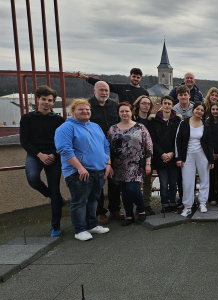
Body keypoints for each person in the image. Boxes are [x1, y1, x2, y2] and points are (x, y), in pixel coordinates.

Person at [55, 99, 111, 241]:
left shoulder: (95, 126)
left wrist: (107, 163)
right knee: (80, 201)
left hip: (98, 170)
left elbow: (105, 145)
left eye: (87, 110)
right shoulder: (66, 128)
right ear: (73, 111)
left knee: (93, 200)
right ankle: (79, 230)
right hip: (79, 172)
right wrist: (80, 168)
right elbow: (65, 150)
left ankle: (92, 225)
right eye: (81, 110)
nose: (85, 112)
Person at [20, 85, 65, 237]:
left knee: (55, 189)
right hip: (35, 154)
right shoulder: (27, 118)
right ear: (37, 100)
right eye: (44, 99)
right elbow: (25, 141)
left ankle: (55, 226)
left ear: (53, 102)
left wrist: (52, 154)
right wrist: (40, 155)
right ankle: (56, 199)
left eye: (50, 100)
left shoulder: (59, 120)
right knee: (32, 179)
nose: (47, 102)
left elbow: (62, 141)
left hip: (54, 156)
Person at [107, 102, 153, 226]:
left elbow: (148, 146)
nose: (124, 113)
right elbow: (108, 148)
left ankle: (141, 210)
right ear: (118, 113)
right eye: (122, 111)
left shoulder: (140, 127)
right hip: (119, 165)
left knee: (132, 188)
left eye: (127, 111)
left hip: (136, 164)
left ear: (131, 112)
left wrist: (148, 164)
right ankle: (129, 215)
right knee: (124, 190)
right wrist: (109, 164)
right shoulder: (113, 129)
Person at [87, 81, 125, 223]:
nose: (104, 93)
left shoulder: (114, 106)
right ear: (94, 91)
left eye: (106, 90)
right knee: (99, 182)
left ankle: (115, 209)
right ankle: (100, 212)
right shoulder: (88, 106)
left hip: (114, 149)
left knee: (115, 181)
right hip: (96, 150)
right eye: (101, 90)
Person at [176, 102, 214, 216]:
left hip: (202, 154)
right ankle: (187, 206)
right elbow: (178, 141)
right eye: (198, 109)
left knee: (204, 179)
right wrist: (179, 158)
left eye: (202, 110)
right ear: (193, 109)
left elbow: (209, 143)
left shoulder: (205, 124)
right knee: (187, 181)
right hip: (188, 155)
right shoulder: (184, 123)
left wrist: (211, 160)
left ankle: (202, 203)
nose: (199, 112)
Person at [147, 96, 182, 213]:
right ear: (161, 104)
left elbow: (179, 139)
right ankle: (164, 204)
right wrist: (162, 154)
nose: (167, 105)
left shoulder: (177, 121)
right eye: (165, 103)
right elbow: (153, 140)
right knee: (163, 183)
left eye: (169, 103)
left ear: (172, 106)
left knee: (173, 183)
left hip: (173, 156)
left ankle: (173, 203)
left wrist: (172, 153)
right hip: (160, 157)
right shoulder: (154, 120)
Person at [132, 95, 156, 215]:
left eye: (148, 104)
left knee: (147, 181)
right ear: (138, 105)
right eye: (143, 103)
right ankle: (139, 205)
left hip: (148, 155)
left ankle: (147, 204)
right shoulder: (133, 120)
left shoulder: (152, 121)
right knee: (136, 182)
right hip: (134, 155)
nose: (146, 106)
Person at [77, 68, 148, 105]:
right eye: (134, 76)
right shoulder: (122, 88)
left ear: (140, 78)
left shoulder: (144, 92)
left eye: (138, 77)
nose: (135, 79)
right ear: (130, 76)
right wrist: (86, 77)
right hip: (123, 117)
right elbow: (104, 84)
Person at [206, 101, 218, 206]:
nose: (215, 111)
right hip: (210, 153)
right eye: (213, 109)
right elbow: (207, 140)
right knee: (211, 176)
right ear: (210, 111)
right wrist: (212, 153)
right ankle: (211, 196)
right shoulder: (207, 122)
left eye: (217, 109)